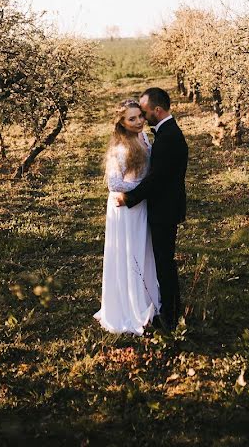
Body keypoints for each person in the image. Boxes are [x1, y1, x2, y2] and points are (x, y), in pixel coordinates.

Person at [115, 87, 188, 330]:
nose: (143, 119)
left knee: (164, 263)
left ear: (157, 110)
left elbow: (156, 179)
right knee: (161, 261)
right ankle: (166, 307)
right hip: (164, 207)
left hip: (164, 210)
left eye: (144, 113)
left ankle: (171, 315)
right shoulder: (166, 132)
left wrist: (130, 198)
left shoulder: (168, 138)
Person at [94, 100, 161, 335]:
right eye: (131, 119)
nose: (138, 122)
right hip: (125, 208)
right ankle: (128, 306)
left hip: (139, 205)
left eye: (140, 116)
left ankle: (145, 298)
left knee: (142, 251)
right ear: (121, 123)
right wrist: (147, 186)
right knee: (129, 253)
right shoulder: (120, 149)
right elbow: (114, 184)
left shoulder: (143, 139)